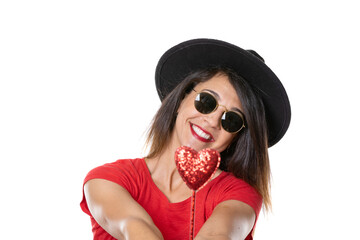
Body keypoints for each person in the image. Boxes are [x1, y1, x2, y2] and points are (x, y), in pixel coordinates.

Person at [80, 38, 291, 240]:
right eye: (207, 101)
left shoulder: (238, 194)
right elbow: (134, 228)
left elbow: (218, 235)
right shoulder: (107, 179)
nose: (212, 121)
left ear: (236, 137)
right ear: (181, 98)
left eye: (231, 120)